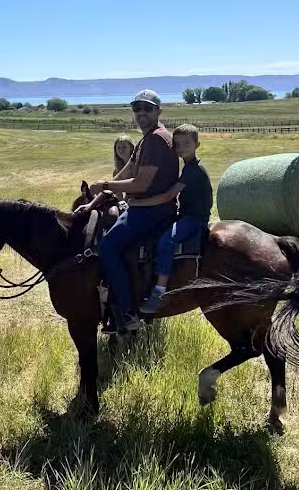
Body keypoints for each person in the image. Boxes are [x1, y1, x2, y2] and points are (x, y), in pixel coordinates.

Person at [74, 89, 179, 334]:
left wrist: (106, 185)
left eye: (147, 108)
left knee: (108, 247)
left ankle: (128, 311)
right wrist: (91, 204)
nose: (141, 113)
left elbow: (140, 184)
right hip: (144, 208)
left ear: (158, 112)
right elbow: (124, 175)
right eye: (137, 108)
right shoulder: (144, 141)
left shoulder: (156, 139)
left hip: (154, 210)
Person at [138, 124, 213, 314]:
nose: (181, 148)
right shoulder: (188, 166)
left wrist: (139, 203)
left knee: (167, 240)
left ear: (197, 144)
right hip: (186, 214)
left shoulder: (193, 169)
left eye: (186, 143)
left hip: (195, 218)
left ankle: (160, 291)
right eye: (178, 144)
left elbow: (169, 196)